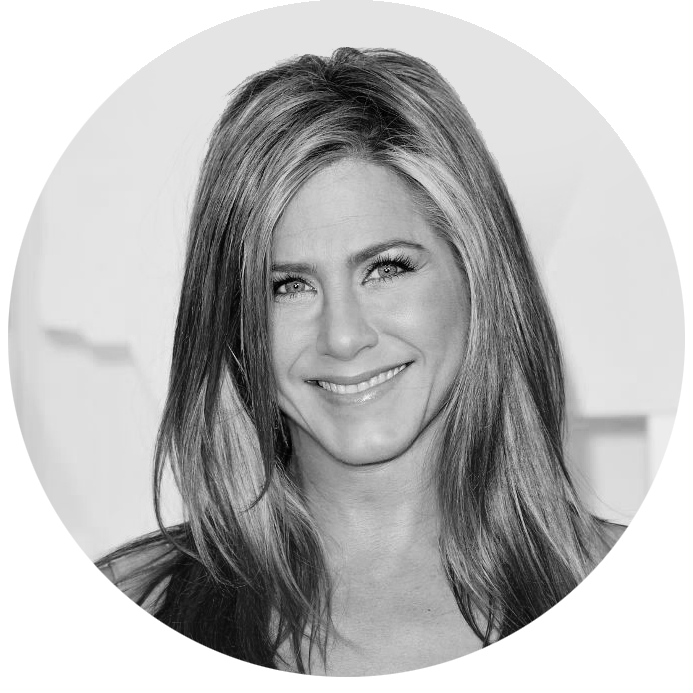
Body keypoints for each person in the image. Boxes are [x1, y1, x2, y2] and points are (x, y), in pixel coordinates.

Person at [40, 47, 683, 677]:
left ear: (478, 276)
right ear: (234, 321)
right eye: (288, 286)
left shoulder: (658, 616)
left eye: (387, 269)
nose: (343, 337)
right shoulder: (119, 633)